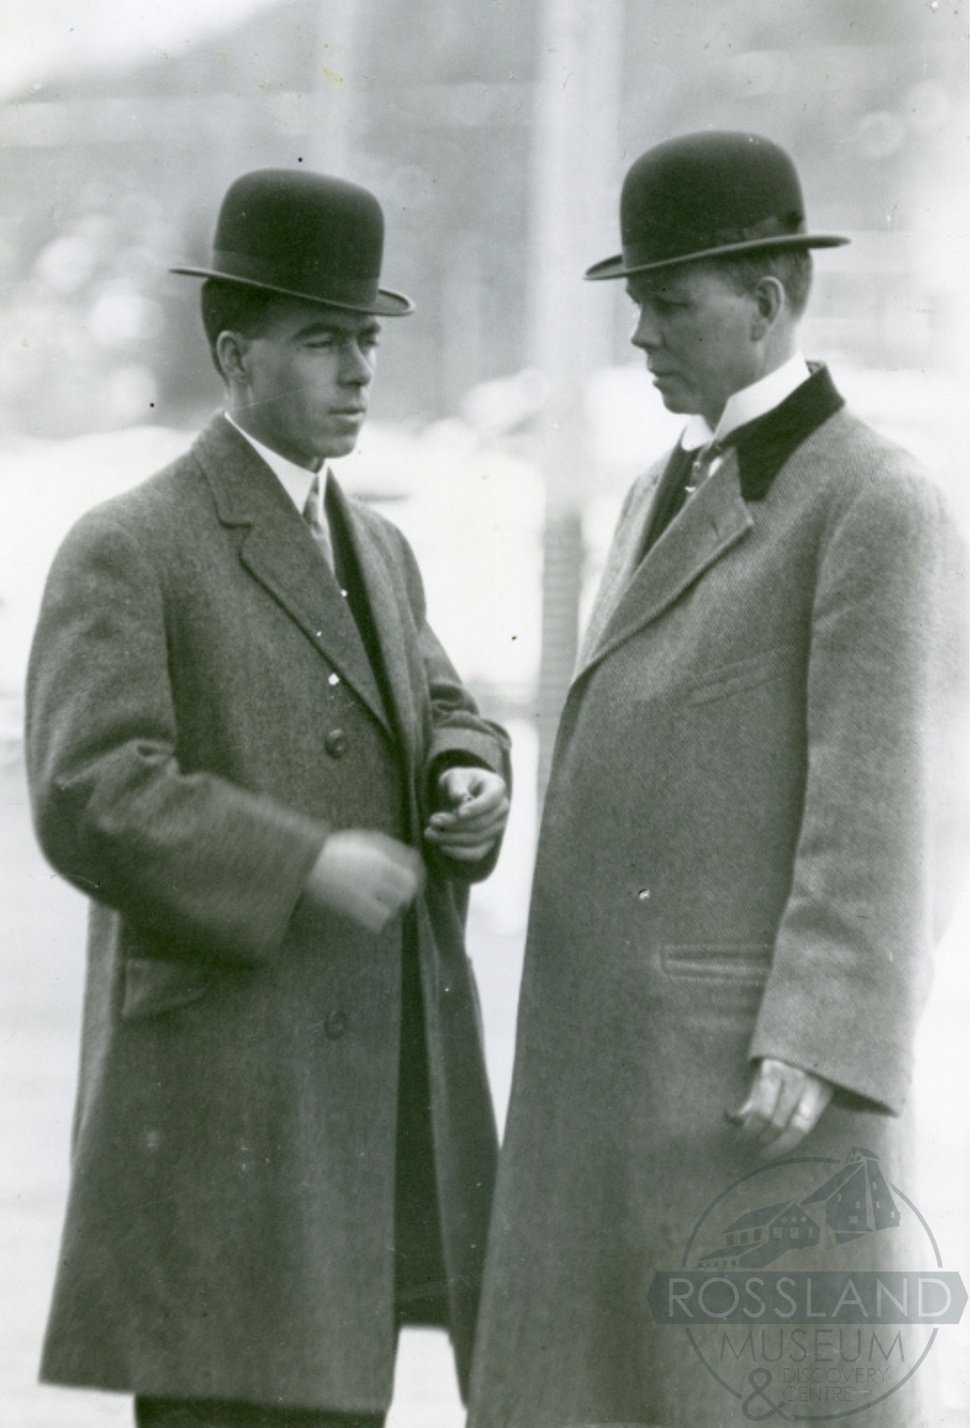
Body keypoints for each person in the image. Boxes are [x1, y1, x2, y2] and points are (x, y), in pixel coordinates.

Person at [467, 132, 966, 1427]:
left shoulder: (872, 500)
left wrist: (815, 1034)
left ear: (767, 298)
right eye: (631, 298)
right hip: (619, 1083)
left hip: (741, 1093)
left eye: (667, 300)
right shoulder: (658, 486)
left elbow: (887, 800)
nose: (638, 332)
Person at [26, 168, 511, 1428]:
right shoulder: (133, 543)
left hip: (354, 1109)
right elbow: (89, 789)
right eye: (321, 342)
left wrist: (469, 776)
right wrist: (299, 862)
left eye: (366, 340)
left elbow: (443, 705)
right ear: (236, 356)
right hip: (221, 1120)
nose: (358, 372)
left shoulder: (380, 546)